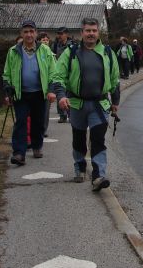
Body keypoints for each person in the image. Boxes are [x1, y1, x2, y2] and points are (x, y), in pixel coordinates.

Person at [52, 17, 120, 191]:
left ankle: (98, 175)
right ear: (82, 32)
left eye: (94, 30)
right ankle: (80, 166)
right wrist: (61, 96)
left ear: (98, 32)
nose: (91, 34)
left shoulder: (107, 53)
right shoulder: (71, 52)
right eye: (88, 30)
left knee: (98, 139)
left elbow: (114, 79)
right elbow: (58, 77)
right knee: (79, 138)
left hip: (100, 105)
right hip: (76, 104)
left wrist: (115, 101)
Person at [2, 20, 56, 166]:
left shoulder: (44, 50)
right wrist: (7, 92)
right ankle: (19, 153)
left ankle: (37, 146)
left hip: (40, 93)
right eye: (25, 32)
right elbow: (6, 74)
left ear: (36, 33)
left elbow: (52, 72)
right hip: (21, 94)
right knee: (20, 122)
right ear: (21, 34)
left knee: (38, 122)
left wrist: (51, 90)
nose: (29, 35)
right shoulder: (13, 51)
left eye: (31, 31)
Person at [52, 27, 74, 123]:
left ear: (66, 34)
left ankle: (70, 114)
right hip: (58, 71)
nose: (59, 36)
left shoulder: (72, 45)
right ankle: (62, 115)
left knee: (69, 94)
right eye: (58, 34)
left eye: (61, 34)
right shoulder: (56, 44)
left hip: (68, 71)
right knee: (60, 93)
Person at [37, 32, 55, 137]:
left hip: (48, 86)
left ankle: (43, 129)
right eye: (43, 40)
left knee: (45, 110)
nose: (45, 42)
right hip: (37, 87)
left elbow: (53, 70)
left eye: (46, 40)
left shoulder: (51, 53)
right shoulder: (36, 52)